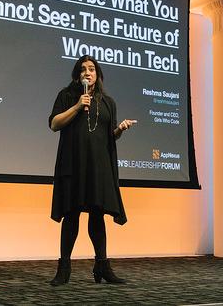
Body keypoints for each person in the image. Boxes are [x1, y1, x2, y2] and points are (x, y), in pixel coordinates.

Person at [48, 55, 137, 286]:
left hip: (99, 168)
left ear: (97, 75)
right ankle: (64, 268)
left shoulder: (108, 103)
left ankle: (102, 265)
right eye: (83, 69)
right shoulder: (67, 96)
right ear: (77, 74)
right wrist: (78, 106)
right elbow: (54, 124)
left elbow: (109, 137)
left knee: (97, 215)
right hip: (74, 164)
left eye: (92, 69)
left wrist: (119, 130)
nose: (87, 72)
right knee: (72, 214)